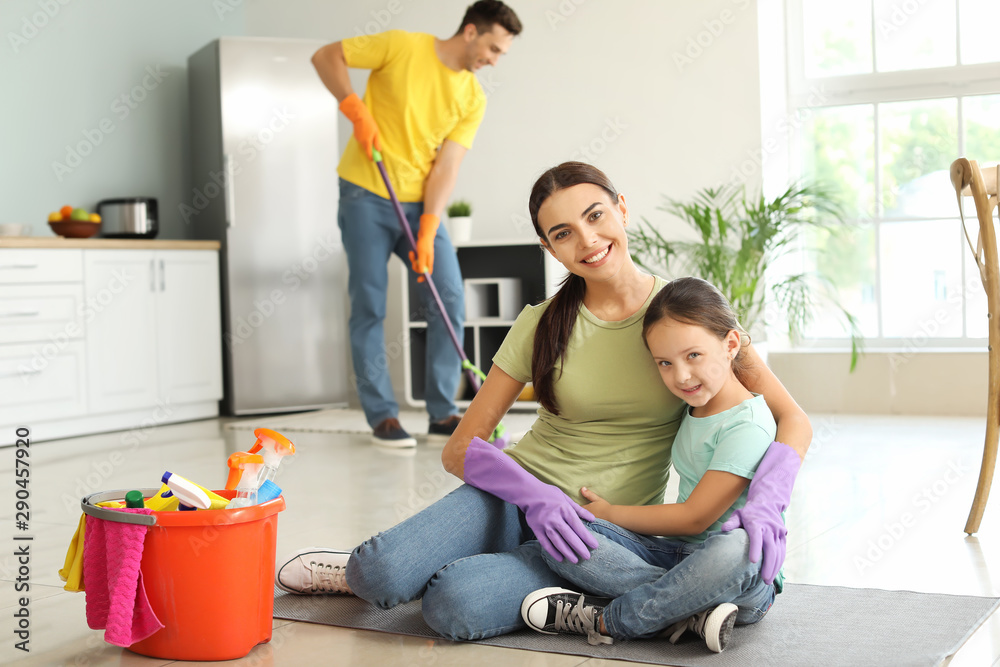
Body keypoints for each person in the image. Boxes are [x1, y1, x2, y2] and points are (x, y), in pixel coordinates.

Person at [274, 162, 809, 644]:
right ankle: (681, 601)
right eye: (563, 234)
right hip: (513, 498)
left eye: (596, 216)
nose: (588, 240)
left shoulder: (683, 316)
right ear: (549, 248)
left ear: (622, 210)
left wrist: (765, 500)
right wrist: (536, 498)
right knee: (379, 574)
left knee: (454, 606)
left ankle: (567, 587)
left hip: (599, 529)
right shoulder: (539, 322)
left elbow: (790, 418)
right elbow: (462, 447)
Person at [520, 276, 784, 653]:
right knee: (560, 531)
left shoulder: (748, 423)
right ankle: (687, 609)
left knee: (738, 548)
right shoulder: (693, 406)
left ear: (730, 344)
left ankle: (609, 619)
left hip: (741, 578)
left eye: (693, 355)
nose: (681, 376)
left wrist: (611, 513)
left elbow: (696, 517)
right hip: (677, 556)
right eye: (665, 362)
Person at [311, 1, 522, 447]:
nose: (494, 60)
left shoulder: (472, 97)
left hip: (419, 204)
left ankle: (442, 411)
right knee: (369, 303)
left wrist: (428, 228)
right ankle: (382, 416)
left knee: (448, 297)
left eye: (502, 54)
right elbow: (326, 56)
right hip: (366, 192)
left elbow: (446, 167)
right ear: (470, 31)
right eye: (493, 48)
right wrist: (354, 106)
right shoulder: (401, 46)